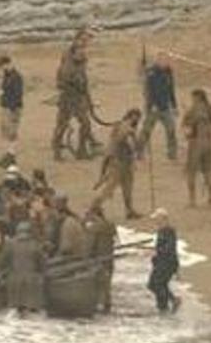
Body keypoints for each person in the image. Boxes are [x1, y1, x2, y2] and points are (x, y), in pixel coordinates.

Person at [53, 31, 100, 161]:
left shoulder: (80, 62)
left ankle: (82, 150)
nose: (83, 53)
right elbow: (63, 82)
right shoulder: (68, 66)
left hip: (78, 98)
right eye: (80, 51)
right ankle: (57, 152)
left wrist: (86, 97)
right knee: (62, 125)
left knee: (85, 124)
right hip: (68, 99)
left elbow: (84, 82)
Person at [91, 109, 144, 220]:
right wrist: (130, 134)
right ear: (131, 116)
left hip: (127, 162)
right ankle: (94, 208)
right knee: (109, 188)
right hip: (117, 162)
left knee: (128, 188)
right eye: (136, 117)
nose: (137, 120)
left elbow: (133, 145)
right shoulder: (123, 126)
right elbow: (119, 139)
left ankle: (129, 210)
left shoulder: (129, 128)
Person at [0, 220, 47, 313]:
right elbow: (42, 264)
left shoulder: (10, 244)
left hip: (14, 280)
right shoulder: (35, 244)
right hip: (32, 282)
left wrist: (1, 275)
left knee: (15, 309)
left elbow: (2, 262)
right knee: (32, 309)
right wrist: (43, 276)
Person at [181, 89, 211, 209]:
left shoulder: (192, 110)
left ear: (197, 98)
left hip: (195, 143)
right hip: (208, 143)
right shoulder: (210, 109)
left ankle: (192, 200)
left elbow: (186, 127)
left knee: (191, 172)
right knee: (207, 171)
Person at [141, 54, 179, 161]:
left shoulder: (168, 73)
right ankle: (139, 151)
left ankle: (172, 153)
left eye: (168, 61)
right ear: (158, 61)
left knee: (171, 130)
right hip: (153, 108)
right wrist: (151, 104)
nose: (167, 63)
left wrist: (174, 106)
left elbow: (171, 90)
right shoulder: (151, 73)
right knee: (146, 130)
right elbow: (148, 91)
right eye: (164, 61)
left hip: (165, 107)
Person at [85, 202, 118, 313]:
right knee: (107, 283)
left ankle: (98, 304)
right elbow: (115, 239)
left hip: (98, 259)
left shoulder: (94, 227)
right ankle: (106, 304)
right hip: (109, 258)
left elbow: (90, 245)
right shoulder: (110, 224)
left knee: (97, 283)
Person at [148, 210, 182, 314]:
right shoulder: (162, 231)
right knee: (156, 284)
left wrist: (157, 252)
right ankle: (164, 306)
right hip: (162, 262)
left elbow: (169, 248)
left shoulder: (168, 231)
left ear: (163, 219)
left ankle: (168, 304)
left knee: (156, 284)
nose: (155, 222)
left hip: (167, 263)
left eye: (156, 219)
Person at [0, 55, 24, 145]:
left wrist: (12, 107)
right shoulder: (7, 75)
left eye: (1, 66)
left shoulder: (16, 77)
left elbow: (18, 93)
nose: (1, 69)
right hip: (6, 105)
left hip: (12, 107)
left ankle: (12, 148)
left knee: (12, 128)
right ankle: (10, 146)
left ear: (7, 64)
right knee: (6, 128)